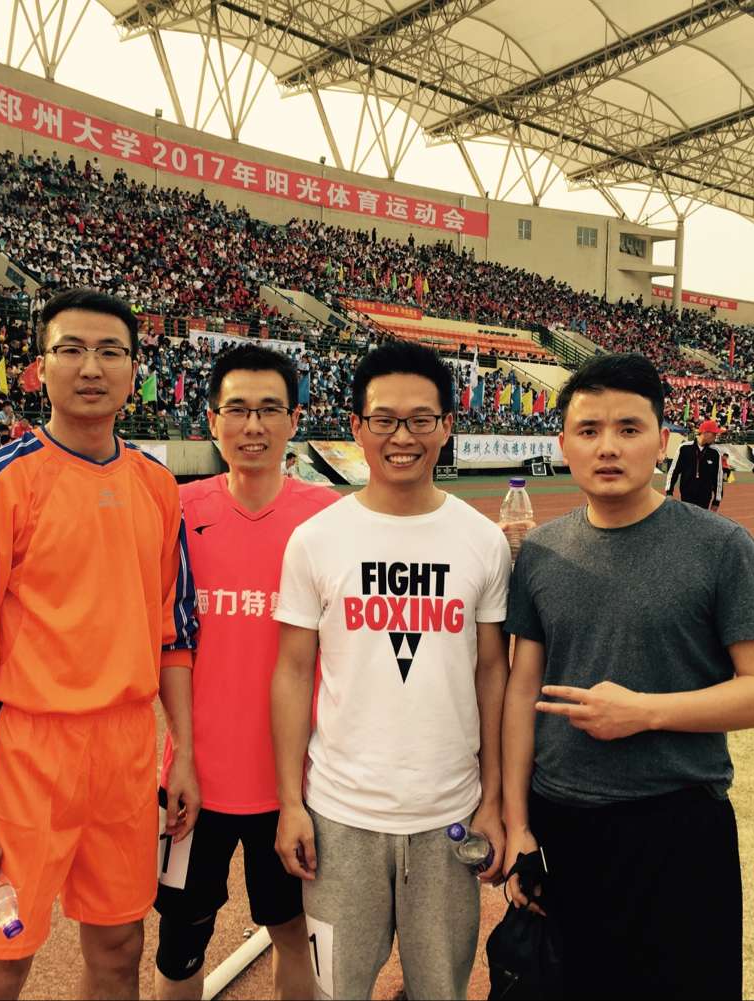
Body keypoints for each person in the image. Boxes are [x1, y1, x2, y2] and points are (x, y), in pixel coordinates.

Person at [0, 288, 199, 1000]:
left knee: (120, 946)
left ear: (134, 370)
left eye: (110, 352)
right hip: (25, 752)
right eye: (70, 350)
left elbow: (174, 634)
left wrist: (183, 753)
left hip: (127, 749)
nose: (90, 367)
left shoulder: (158, 486)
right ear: (40, 367)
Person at [500, 353, 754, 998]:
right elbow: (522, 691)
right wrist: (518, 824)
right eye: (589, 430)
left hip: (677, 826)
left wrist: (646, 711)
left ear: (663, 442)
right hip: (562, 822)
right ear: (564, 446)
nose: (608, 447)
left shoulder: (721, 546)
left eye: (629, 429)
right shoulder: (541, 551)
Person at [271, 341, 510, 1001]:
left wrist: (492, 800)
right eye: (384, 420)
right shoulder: (316, 540)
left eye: (420, 419)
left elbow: (493, 674)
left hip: (449, 815)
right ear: (356, 426)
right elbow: (292, 672)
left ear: (447, 426)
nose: (402, 437)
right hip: (339, 819)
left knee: (441, 991)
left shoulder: (483, 540)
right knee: (335, 991)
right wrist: (290, 802)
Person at [154, 346, 337, 1001]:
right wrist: (182, 751)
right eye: (236, 409)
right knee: (180, 942)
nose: (252, 426)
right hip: (191, 778)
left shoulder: (329, 517)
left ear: (295, 420)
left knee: (295, 934)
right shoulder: (176, 510)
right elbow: (164, 641)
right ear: (211, 421)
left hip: (296, 784)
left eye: (268, 410)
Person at [666, 418, 725, 511]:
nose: (716, 437)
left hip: (705, 498)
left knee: (702, 520)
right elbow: (674, 471)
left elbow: (718, 478)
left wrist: (716, 501)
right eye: (714, 434)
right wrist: (669, 492)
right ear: (705, 432)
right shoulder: (684, 448)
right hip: (686, 496)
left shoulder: (715, 453)